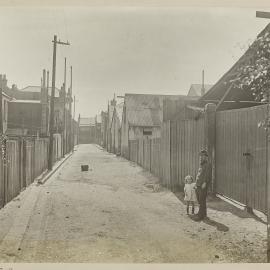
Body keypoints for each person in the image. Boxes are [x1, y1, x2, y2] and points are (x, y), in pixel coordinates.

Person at [194, 149, 212, 221]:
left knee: (201, 200)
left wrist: (205, 182)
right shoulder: (201, 164)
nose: (201, 157)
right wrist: (196, 183)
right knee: (200, 200)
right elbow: (199, 175)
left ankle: (200, 215)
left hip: (203, 185)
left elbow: (208, 175)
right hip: (198, 185)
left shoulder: (208, 164)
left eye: (202, 156)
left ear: (206, 157)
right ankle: (204, 214)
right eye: (200, 156)